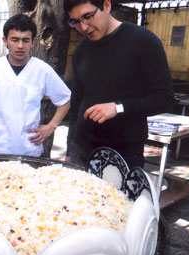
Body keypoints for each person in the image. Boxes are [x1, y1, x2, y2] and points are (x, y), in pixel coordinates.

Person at [64, 0, 175, 169]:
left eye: (87, 17)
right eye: (76, 22)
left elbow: (164, 99)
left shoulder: (143, 41)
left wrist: (118, 107)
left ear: (106, 5)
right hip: (83, 148)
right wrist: (69, 152)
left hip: (125, 151)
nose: (84, 27)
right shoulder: (80, 51)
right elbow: (76, 105)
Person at [0, 14, 71, 157]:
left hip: (30, 149)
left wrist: (51, 126)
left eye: (25, 40)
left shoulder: (42, 70)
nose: (20, 46)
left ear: (33, 42)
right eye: (14, 40)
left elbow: (65, 99)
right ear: (5, 40)